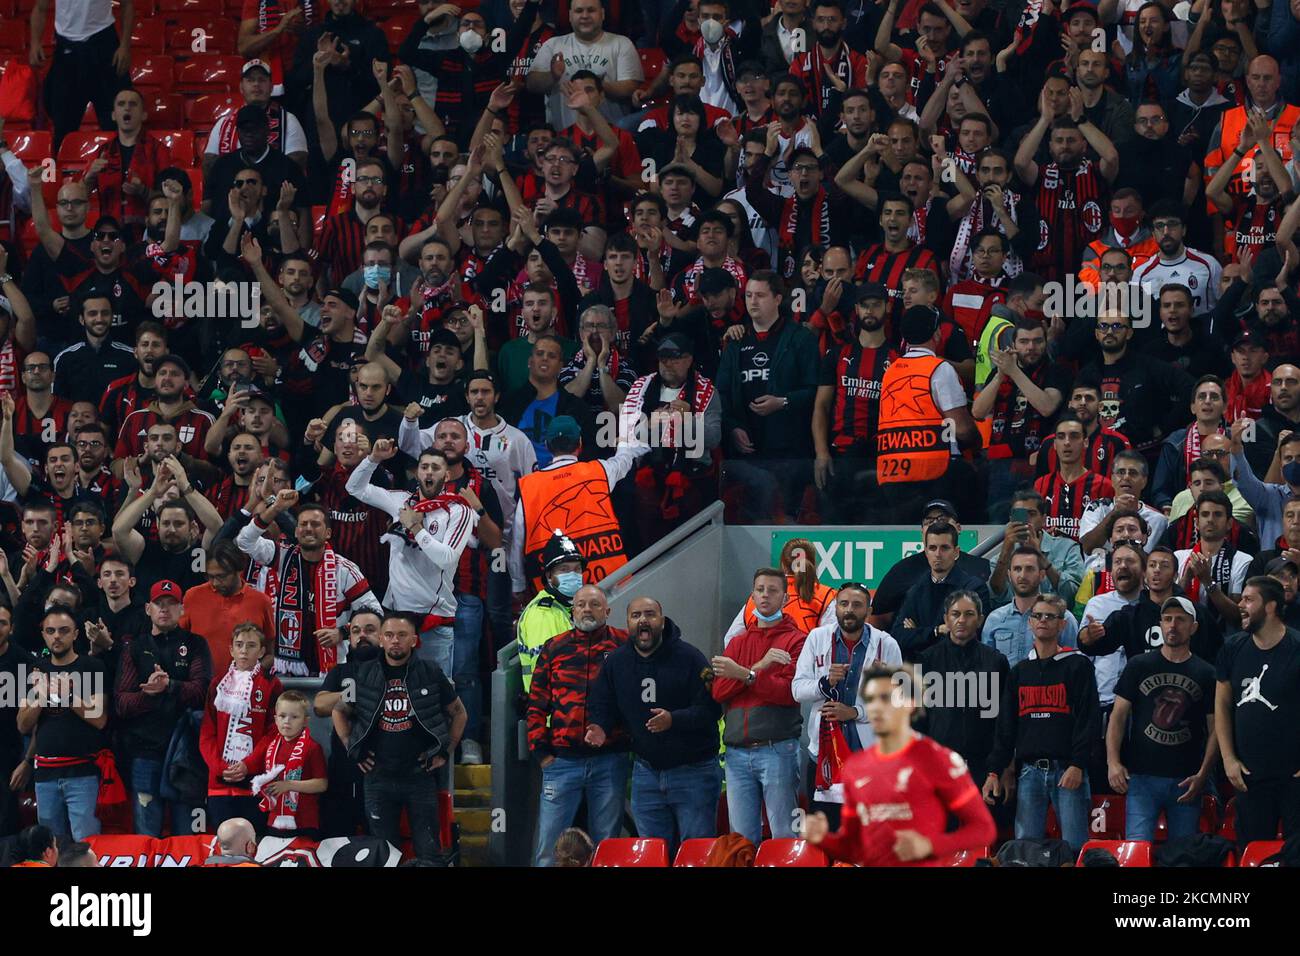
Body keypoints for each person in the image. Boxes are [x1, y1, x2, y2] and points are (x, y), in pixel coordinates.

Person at [802, 662, 998, 866]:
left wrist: (930, 845)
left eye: (886, 698)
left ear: (910, 703)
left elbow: (983, 829)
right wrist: (822, 838)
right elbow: (854, 848)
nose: (876, 707)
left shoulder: (938, 760)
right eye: (870, 699)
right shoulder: (856, 768)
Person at [585, 596, 722, 853]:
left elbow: (711, 709)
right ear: (627, 623)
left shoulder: (690, 658)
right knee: (651, 854)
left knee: (697, 853)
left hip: (693, 772)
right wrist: (600, 726)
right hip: (646, 774)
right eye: (636, 616)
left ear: (662, 620)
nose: (643, 620)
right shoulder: (615, 662)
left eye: (650, 614)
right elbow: (602, 704)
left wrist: (674, 720)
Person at [334, 611, 468, 864]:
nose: (395, 640)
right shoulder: (362, 674)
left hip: (420, 776)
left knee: (429, 853)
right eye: (389, 635)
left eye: (402, 635)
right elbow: (339, 711)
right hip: (378, 778)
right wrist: (351, 747)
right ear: (382, 640)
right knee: (384, 856)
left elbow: (459, 713)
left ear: (414, 640)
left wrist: (445, 751)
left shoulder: (430, 671)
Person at [345, 440, 477, 677]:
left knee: (434, 699)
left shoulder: (459, 510)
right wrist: (373, 459)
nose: (429, 472)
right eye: (424, 466)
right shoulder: (400, 501)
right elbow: (354, 488)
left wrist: (416, 529)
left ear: (446, 476)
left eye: (435, 468)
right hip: (395, 618)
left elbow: (447, 559)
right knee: (394, 693)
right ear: (417, 473)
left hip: (433, 620)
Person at [983, 594, 1100, 856]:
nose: (1043, 620)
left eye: (1051, 616)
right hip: (1029, 773)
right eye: (1038, 616)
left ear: (1062, 625)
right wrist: (994, 771)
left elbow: (1089, 720)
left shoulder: (1078, 665)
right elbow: (1006, 727)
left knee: (1074, 849)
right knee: (1025, 851)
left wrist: (1078, 764)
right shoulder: (1019, 671)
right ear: (1029, 623)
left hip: (1067, 769)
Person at [526, 585, 630, 866]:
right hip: (562, 762)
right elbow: (536, 704)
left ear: (607, 611)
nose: (587, 609)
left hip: (610, 761)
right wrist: (541, 753)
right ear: (572, 610)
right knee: (549, 847)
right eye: (581, 604)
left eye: (594, 604)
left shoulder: (624, 645)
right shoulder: (555, 647)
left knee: (606, 845)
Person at [235, 490, 384, 676]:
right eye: (303, 524)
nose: (308, 528)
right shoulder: (282, 556)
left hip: (332, 667)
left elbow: (376, 613)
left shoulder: (345, 570)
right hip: (288, 666)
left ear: (328, 532)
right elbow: (244, 541)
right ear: (296, 532)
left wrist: (342, 633)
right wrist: (276, 508)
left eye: (315, 524)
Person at [1107, 596, 1218, 842]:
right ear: (1160, 625)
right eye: (1167, 619)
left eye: (1180, 619)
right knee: (1136, 850)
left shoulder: (1207, 673)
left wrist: (1203, 774)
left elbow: (1216, 730)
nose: (1173, 625)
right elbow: (1118, 717)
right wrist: (1113, 762)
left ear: (1194, 627)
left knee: (1184, 856)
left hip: (1186, 779)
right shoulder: (1139, 665)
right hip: (1142, 777)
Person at [710, 567, 808, 846]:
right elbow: (719, 691)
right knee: (741, 841)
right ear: (752, 596)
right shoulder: (738, 642)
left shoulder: (796, 640)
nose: (765, 595)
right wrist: (757, 670)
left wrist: (743, 675)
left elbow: (787, 693)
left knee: (784, 836)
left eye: (772, 590)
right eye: (760, 590)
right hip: (737, 752)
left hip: (777, 748)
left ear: (785, 598)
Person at [793, 582, 902, 824]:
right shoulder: (817, 638)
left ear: (868, 609)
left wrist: (855, 712)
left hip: (867, 755)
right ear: (835, 608)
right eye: (843, 604)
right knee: (826, 833)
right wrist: (824, 682)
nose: (849, 610)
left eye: (856, 605)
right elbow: (797, 689)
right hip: (824, 756)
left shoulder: (886, 645)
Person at [113, 579, 212, 837]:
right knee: (145, 834)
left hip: (186, 755)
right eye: (159, 604)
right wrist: (151, 696)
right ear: (148, 609)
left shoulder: (196, 644)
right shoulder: (134, 647)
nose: (164, 609)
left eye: (171, 604)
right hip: (145, 753)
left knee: (186, 837)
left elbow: (202, 692)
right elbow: (121, 703)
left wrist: (170, 686)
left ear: (182, 610)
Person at [510, 413, 648, 595]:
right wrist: (625, 440)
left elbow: (517, 540)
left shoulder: (530, 486)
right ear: (580, 443)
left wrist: (517, 584)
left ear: (547, 446)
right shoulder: (600, 470)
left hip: (557, 588)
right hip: (608, 583)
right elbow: (624, 458)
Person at [1215, 576, 1300, 847]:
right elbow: (1222, 705)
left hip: (1294, 776)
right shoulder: (1233, 647)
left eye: (1249, 600)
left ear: (1271, 607)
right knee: (1252, 853)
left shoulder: (1297, 647)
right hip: (1249, 776)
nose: (1241, 605)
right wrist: (1228, 759)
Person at [876, 306, 982, 522]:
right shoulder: (939, 368)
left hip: (892, 474)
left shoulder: (891, 371)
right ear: (937, 334)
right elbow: (961, 429)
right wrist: (977, 441)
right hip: (936, 474)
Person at [18, 607, 109, 842]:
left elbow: (100, 719)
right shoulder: (35, 670)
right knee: (50, 847)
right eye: (50, 631)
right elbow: (22, 725)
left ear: (76, 634)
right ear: (44, 635)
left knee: (86, 845)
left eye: (63, 630)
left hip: (83, 774)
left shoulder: (92, 667)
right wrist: (40, 696)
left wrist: (69, 695)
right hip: (45, 775)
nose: (56, 636)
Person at [200, 622, 283, 830]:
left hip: (255, 784)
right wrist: (219, 767)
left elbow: (273, 733)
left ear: (262, 651)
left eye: (251, 645)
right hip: (219, 784)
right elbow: (207, 732)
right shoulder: (218, 683)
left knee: (253, 845)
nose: (244, 650)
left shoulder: (272, 684)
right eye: (239, 645)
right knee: (224, 844)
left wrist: (248, 764)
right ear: (231, 649)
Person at [225, 691, 327, 838]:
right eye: (282, 716)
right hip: (274, 819)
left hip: (305, 821)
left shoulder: (312, 747)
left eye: (294, 717)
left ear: (305, 721)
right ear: (276, 720)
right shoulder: (271, 746)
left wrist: (289, 785)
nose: (287, 721)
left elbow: (322, 784)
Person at [894, 521, 993, 658]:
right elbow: (899, 637)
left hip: (962, 671)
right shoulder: (915, 590)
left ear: (956, 552)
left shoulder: (974, 588)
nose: (938, 554)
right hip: (921, 673)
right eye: (932, 548)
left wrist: (918, 633)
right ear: (926, 551)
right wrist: (936, 630)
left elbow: (969, 635)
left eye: (944, 548)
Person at [180, 540, 276, 675]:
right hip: (201, 688)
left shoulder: (261, 602)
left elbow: (270, 654)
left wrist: (249, 676)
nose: (214, 583)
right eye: (210, 576)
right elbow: (178, 642)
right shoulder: (192, 596)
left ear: (239, 570)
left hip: (244, 691)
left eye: (221, 576)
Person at [987, 489, 1085, 611]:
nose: (1027, 520)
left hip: (1056, 619)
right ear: (1011, 519)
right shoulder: (1001, 556)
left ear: (1043, 519)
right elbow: (995, 594)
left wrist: (1039, 556)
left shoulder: (1067, 548)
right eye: (1020, 515)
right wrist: (1006, 552)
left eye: (1031, 514)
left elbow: (1073, 594)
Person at [984, 545, 1082, 664]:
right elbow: (987, 668)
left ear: (1042, 575)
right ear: (1009, 575)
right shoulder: (994, 619)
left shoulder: (1063, 617)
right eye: (1017, 569)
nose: (1023, 575)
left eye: (1029, 569)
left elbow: (1073, 665)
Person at [516, 532, 585, 694]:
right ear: (549, 576)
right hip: (555, 713)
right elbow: (553, 675)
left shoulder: (566, 606)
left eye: (577, 569)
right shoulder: (543, 614)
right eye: (564, 569)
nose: (573, 575)